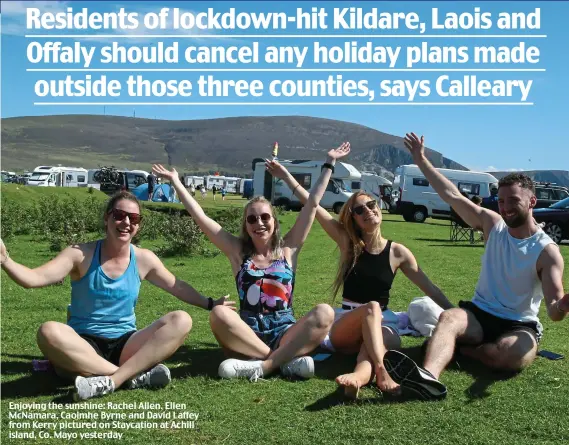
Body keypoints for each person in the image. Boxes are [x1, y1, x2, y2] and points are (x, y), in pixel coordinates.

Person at [0, 191, 234, 401]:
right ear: (107, 218)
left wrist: (211, 303)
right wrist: (5, 260)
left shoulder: (144, 259)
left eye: (134, 219)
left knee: (182, 320)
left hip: (126, 343)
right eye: (119, 215)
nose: (126, 223)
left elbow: (177, 286)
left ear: (139, 226)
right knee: (48, 331)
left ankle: (109, 380)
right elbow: (35, 278)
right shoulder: (80, 254)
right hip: (83, 344)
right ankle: (130, 376)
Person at [386, 132, 569, 399]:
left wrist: (563, 305)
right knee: (449, 318)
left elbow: (553, 311)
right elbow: (452, 195)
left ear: (531, 202)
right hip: (479, 314)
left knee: (508, 358)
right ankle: (427, 378)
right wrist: (421, 160)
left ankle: (462, 349)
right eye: (502, 201)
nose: (505, 208)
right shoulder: (492, 225)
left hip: (519, 325)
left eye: (513, 201)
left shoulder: (547, 252)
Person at [152, 143, 351, 382]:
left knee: (324, 312)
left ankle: (263, 366)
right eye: (252, 219)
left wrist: (330, 163)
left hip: (284, 330)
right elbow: (201, 217)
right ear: (246, 225)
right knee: (218, 314)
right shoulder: (237, 251)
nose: (259, 223)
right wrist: (176, 182)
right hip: (246, 333)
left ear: (275, 222)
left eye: (265, 217)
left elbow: (312, 204)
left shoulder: (289, 248)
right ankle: (281, 361)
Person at [265, 161, 453, 399]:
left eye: (371, 205)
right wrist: (285, 175)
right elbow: (312, 203)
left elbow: (430, 288)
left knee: (375, 342)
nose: (368, 211)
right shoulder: (349, 245)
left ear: (379, 208)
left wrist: (457, 315)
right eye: (359, 210)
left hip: (384, 323)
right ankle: (383, 371)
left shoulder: (398, 253)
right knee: (371, 309)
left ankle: (358, 378)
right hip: (348, 323)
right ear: (353, 219)